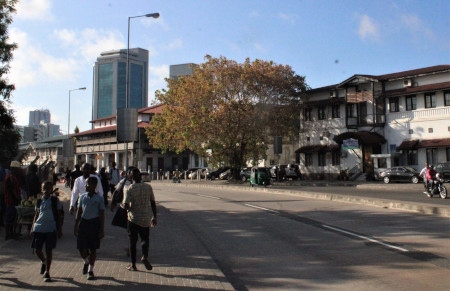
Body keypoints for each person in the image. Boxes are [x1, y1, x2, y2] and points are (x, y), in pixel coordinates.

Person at [123, 168, 157, 271]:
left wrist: (126, 208)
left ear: (130, 177)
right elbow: (153, 202)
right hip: (145, 218)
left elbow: (126, 204)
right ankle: (144, 256)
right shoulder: (148, 187)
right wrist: (154, 216)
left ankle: (133, 265)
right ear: (140, 176)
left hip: (133, 219)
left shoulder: (129, 188)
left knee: (132, 242)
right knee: (145, 239)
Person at [30, 181, 63, 282]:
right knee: (37, 249)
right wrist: (32, 227)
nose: (46, 190)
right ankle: (43, 261)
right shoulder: (39, 201)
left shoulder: (55, 201)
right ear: (41, 189)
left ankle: (47, 272)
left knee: (49, 250)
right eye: (44, 188)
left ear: (51, 189)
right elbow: (37, 214)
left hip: (51, 228)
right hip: (39, 228)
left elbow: (59, 215)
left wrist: (59, 229)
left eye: (48, 188)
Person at [74, 176, 105, 280]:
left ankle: (91, 270)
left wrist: (101, 229)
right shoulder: (82, 197)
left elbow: (102, 215)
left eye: (88, 184)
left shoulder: (99, 199)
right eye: (85, 184)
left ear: (94, 186)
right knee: (81, 247)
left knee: (93, 248)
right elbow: (79, 211)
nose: (86, 186)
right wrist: (76, 224)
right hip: (84, 223)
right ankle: (86, 261)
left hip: (94, 223)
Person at [4, 161, 22, 240]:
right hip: (11, 200)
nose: (19, 170)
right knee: (9, 217)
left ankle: (11, 233)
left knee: (13, 217)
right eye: (17, 169)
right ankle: (8, 234)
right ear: (13, 169)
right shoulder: (10, 178)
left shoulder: (13, 177)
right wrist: (17, 197)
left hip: (13, 200)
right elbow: (12, 189)